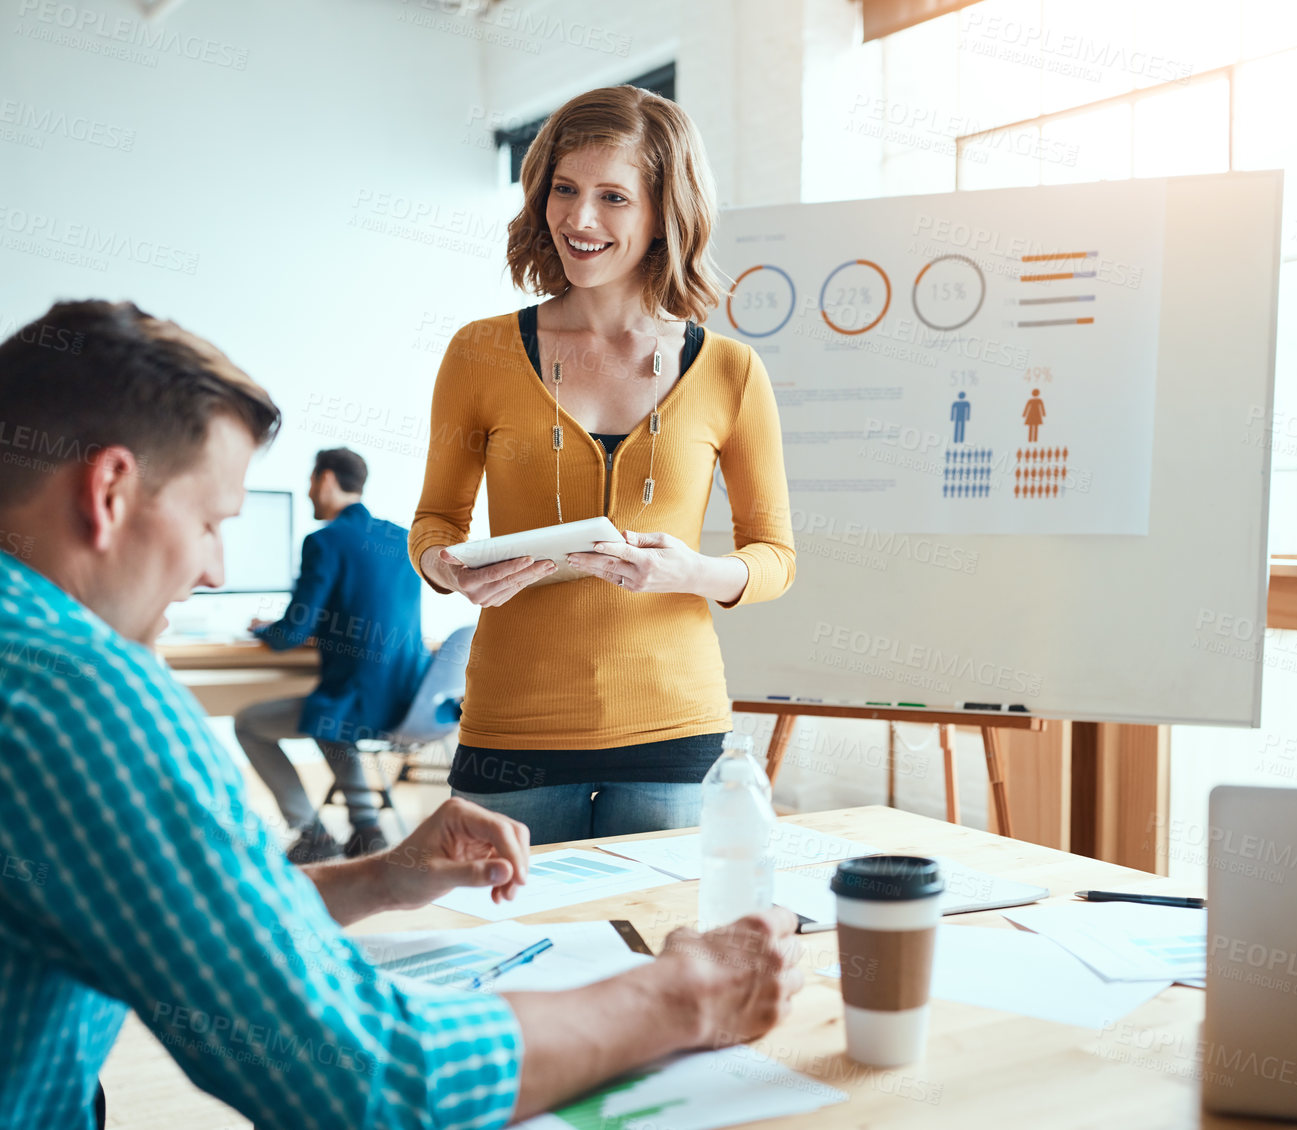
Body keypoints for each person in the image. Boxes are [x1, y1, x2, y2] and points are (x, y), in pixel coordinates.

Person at [0, 300, 803, 1130]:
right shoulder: (82, 698)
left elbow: (184, 914)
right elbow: (370, 1079)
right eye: (211, 524)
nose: (214, 568)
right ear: (109, 490)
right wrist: (686, 992)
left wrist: (377, 877)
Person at [412, 86, 796, 843]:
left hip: (673, 732)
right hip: (511, 730)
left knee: (665, 949)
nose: (578, 220)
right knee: (513, 951)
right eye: (564, 189)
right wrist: (447, 570)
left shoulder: (730, 370)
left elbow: (775, 557)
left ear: (664, 213)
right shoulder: (479, 352)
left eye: (613, 196)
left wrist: (691, 571)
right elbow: (435, 522)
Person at [236, 447, 428, 862]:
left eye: (310, 481)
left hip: (358, 703)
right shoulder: (403, 538)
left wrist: (263, 629)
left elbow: (292, 632)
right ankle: (366, 827)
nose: (307, 493)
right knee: (329, 716)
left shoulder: (323, 541)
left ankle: (311, 831)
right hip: (409, 700)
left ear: (325, 480)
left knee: (250, 724)